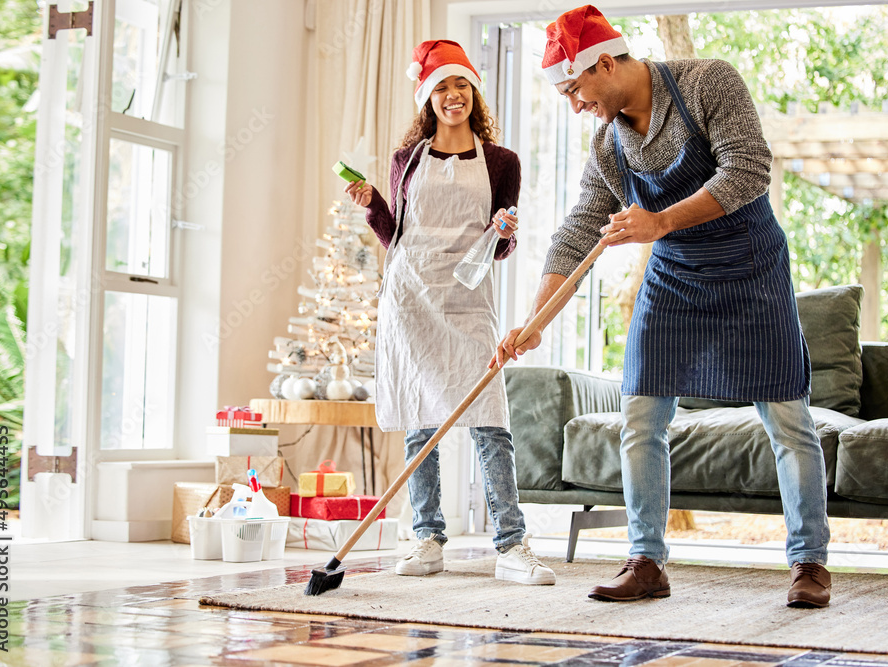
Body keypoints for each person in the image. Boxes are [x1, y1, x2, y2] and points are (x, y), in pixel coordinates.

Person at [493, 5, 831, 607]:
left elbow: (748, 170)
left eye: (577, 89)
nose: (576, 105)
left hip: (750, 269)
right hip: (674, 277)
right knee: (642, 416)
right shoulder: (608, 144)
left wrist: (660, 222)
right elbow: (579, 229)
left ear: (603, 63)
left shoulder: (708, 82)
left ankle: (809, 564)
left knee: (787, 419)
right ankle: (646, 560)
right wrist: (534, 320)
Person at [345, 39, 555, 586]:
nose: (452, 94)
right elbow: (397, 238)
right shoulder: (404, 161)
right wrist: (372, 206)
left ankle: (511, 544)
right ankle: (427, 536)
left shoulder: (501, 163)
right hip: (411, 296)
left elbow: (501, 247)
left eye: (460, 84)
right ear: (428, 98)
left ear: (473, 91)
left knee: (489, 420)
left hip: (467, 300)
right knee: (421, 419)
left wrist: (502, 234)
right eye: (441, 87)